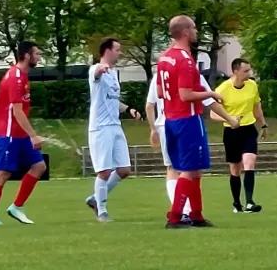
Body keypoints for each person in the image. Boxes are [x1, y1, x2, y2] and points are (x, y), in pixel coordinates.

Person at [157, 15, 239, 229]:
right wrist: (211, 93)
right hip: (187, 119)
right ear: (184, 31)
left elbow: (160, 91)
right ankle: (175, 217)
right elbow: (185, 95)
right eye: (193, 28)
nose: (196, 31)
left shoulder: (164, 58)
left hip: (171, 119)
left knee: (194, 169)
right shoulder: (184, 60)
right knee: (190, 169)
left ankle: (196, 215)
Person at [147, 71, 241, 223]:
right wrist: (230, 119)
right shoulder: (190, 72)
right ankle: (181, 213)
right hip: (185, 124)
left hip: (164, 124)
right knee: (191, 169)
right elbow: (209, 101)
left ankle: (192, 213)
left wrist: (153, 128)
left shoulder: (161, 74)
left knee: (174, 169)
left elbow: (149, 105)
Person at [0, 41, 46, 226]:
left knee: (39, 166)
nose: (39, 57)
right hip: (8, 133)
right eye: (37, 53)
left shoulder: (23, 76)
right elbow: (16, 112)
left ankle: (17, 206)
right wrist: (33, 135)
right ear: (26, 55)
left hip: (20, 133)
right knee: (3, 173)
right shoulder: (15, 77)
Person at [84, 37, 141, 223]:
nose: (120, 52)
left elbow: (112, 99)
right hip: (100, 128)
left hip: (115, 126)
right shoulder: (96, 69)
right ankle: (102, 211)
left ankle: (94, 198)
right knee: (104, 171)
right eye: (118, 49)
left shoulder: (114, 74)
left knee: (124, 170)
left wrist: (128, 109)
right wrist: (102, 69)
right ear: (107, 51)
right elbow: (97, 74)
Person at [210, 58, 267, 214]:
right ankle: (237, 203)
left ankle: (249, 202)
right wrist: (229, 119)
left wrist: (263, 124)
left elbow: (257, 107)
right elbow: (213, 114)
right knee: (235, 169)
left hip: (248, 129)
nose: (249, 73)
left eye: (249, 70)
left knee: (250, 162)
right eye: (246, 71)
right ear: (235, 71)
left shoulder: (252, 85)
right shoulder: (223, 89)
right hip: (231, 132)